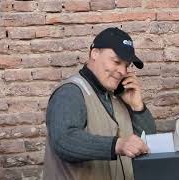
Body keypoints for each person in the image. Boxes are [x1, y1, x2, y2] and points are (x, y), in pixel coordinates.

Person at [43, 27, 156, 180]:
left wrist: (137, 107)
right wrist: (118, 145)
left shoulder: (119, 96)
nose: (123, 71)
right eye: (116, 61)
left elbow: (148, 143)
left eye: (127, 65)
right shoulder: (71, 92)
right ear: (94, 53)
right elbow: (64, 140)